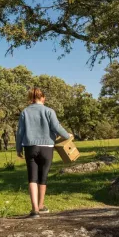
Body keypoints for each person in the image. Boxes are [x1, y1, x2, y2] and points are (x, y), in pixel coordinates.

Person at [16, 87, 71, 218]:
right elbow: (56, 127)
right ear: (43, 98)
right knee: (43, 177)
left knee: (32, 178)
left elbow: (19, 132)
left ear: (31, 98)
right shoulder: (49, 111)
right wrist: (67, 136)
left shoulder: (25, 112)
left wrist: (19, 148)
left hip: (30, 147)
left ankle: (34, 209)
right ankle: (41, 205)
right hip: (47, 147)